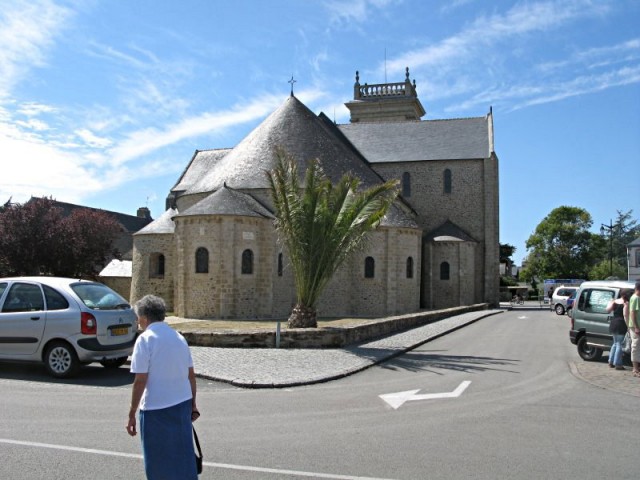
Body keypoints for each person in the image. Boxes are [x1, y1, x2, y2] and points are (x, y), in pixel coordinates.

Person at [126, 295, 200, 479]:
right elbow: (190, 375)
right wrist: (193, 404)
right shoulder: (179, 338)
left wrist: (131, 412)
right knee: (182, 458)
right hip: (182, 403)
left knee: (158, 461)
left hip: (155, 409)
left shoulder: (145, 340)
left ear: (143, 318)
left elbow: (140, 380)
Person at [606, 289, 631, 370]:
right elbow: (625, 315)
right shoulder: (626, 303)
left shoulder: (614, 301)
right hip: (621, 324)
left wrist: (612, 302)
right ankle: (618, 364)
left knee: (615, 343)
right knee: (619, 344)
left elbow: (607, 310)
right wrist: (628, 326)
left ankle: (610, 361)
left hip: (613, 323)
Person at [630, 282, 640, 377]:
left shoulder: (636, 297)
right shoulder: (635, 298)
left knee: (637, 346)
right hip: (635, 326)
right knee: (636, 346)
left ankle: (637, 368)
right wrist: (636, 326)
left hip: (637, 326)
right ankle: (635, 369)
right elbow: (632, 313)